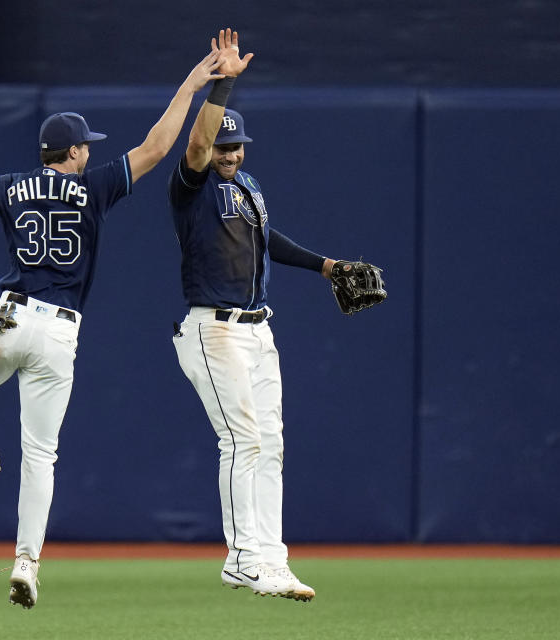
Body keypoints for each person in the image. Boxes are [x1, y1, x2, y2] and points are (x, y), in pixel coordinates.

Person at [0, 45, 225, 608]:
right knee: (41, 455)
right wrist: (190, 85)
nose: (91, 151)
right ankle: (26, 565)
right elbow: (159, 146)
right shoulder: (93, 188)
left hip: (10, 317)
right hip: (61, 332)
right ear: (72, 151)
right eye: (87, 145)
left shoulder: (11, 184)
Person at [169, 28, 339, 602]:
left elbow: (269, 243)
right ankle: (241, 560)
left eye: (236, 147)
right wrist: (221, 89)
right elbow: (193, 147)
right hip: (212, 329)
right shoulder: (192, 189)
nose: (229, 154)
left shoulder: (249, 185)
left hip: (258, 329)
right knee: (241, 440)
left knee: (270, 443)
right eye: (223, 146)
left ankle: (271, 558)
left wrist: (323, 266)